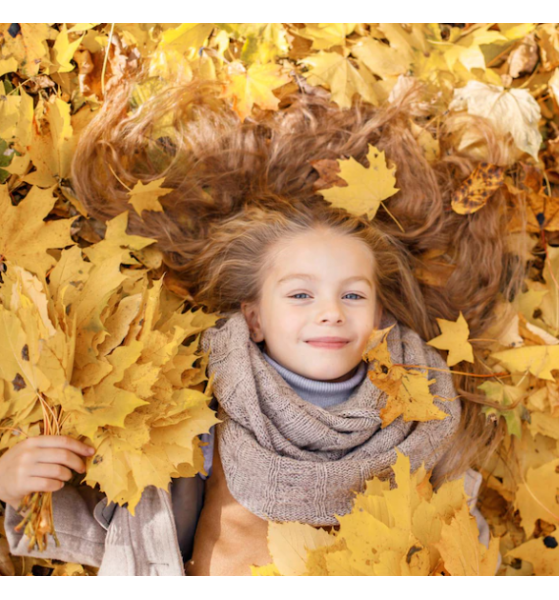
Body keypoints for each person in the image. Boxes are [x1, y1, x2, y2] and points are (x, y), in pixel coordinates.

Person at [0, 74, 527, 575]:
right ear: (254, 318)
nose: (330, 311)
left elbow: (461, 547)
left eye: (352, 294)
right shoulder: (201, 402)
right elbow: (119, 502)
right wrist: (16, 483)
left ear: (380, 316)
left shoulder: (424, 416)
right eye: (300, 294)